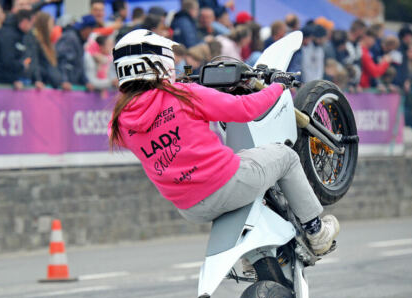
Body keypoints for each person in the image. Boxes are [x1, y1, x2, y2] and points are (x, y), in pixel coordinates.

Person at [108, 30, 340, 255]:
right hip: (226, 185)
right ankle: (316, 232)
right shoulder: (184, 95)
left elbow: (154, 123)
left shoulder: (119, 122)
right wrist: (278, 86)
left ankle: (257, 252)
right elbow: (245, 108)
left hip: (190, 207)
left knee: (246, 163)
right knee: (285, 157)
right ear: (161, 61)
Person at [0, 8, 36, 89]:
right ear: (24, 22)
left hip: (9, 79)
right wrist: (22, 66)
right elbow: (6, 60)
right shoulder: (8, 35)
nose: (32, 27)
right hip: (0, 81)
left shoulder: (19, 34)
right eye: (31, 24)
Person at [55, 14, 96, 91]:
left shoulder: (79, 40)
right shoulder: (70, 38)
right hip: (65, 87)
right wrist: (64, 80)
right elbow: (62, 60)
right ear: (86, 28)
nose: (90, 34)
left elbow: (79, 65)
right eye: (91, 30)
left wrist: (86, 82)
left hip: (72, 85)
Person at [31, 11, 61, 88]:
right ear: (44, 24)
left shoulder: (50, 44)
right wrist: (38, 79)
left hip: (51, 84)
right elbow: (35, 63)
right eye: (51, 24)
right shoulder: (35, 42)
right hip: (40, 84)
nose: (53, 27)